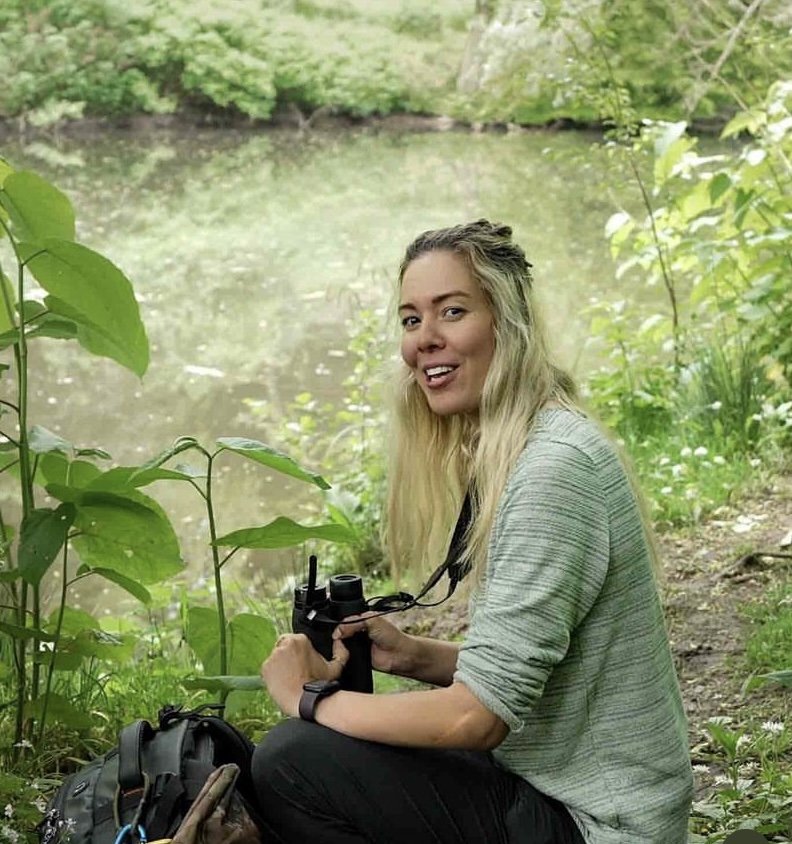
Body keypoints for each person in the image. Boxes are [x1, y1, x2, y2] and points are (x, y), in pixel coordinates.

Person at [252, 220, 694, 843]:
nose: (424, 339)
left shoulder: (553, 472)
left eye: (452, 311)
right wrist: (414, 657)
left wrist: (307, 699)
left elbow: (476, 720)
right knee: (328, 749)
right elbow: (534, 673)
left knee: (291, 760)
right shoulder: (531, 446)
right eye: (411, 319)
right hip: (557, 786)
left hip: (603, 826)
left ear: (508, 323)